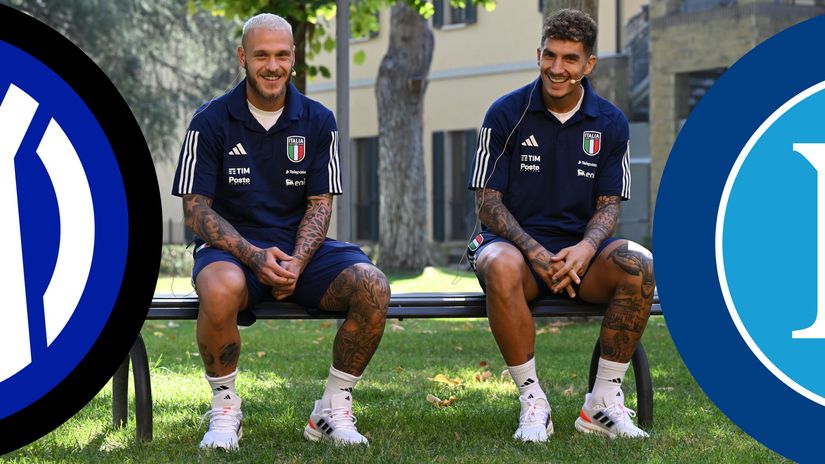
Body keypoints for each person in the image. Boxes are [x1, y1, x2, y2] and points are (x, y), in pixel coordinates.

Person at [171, 13, 389, 450]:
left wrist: (297, 262)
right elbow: (195, 212)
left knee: (373, 286)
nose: (272, 66)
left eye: (282, 55)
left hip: (299, 255)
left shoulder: (318, 120)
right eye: (261, 55)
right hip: (234, 252)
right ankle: (225, 409)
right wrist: (254, 255)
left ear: (294, 59)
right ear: (243, 58)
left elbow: (319, 204)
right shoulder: (210, 121)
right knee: (217, 288)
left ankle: (332, 406)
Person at [467, 9, 654, 442]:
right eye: (550, 56)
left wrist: (586, 249)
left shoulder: (611, 122)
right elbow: (487, 203)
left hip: (577, 257)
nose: (557, 68)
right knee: (498, 263)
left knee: (639, 263)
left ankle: (602, 404)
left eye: (570, 59)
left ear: (589, 64)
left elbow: (609, 207)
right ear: (538, 55)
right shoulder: (504, 114)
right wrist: (535, 251)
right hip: (515, 250)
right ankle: (533, 402)